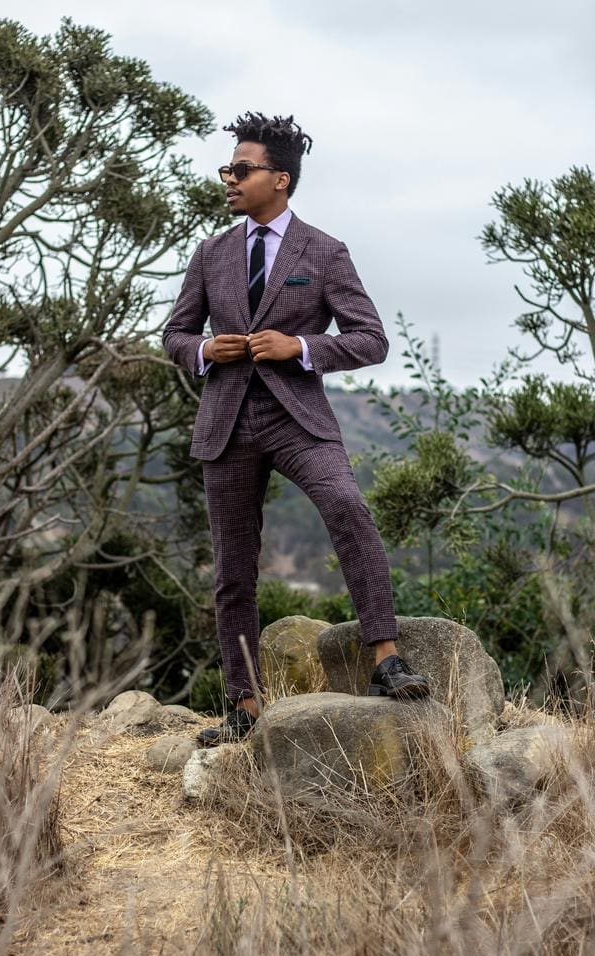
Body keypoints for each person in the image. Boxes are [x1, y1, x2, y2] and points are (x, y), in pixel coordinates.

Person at [163, 112, 429, 746]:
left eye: (242, 169)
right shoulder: (211, 253)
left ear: (279, 179)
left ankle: (385, 659)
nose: (229, 178)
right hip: (226, 424)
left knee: (347, 506)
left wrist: (300, 347)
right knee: (234, 568)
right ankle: (244, 703)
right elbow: (174, 335)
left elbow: (371, 340)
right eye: (227, 168)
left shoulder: (325, 251)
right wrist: (205, 351)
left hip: (297, 420)